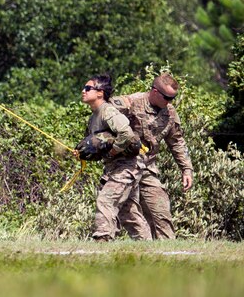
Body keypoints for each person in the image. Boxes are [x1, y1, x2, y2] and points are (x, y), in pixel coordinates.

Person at [113, 73, 194, 239]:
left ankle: (169, 254)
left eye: (173, 98)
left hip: (147, 168)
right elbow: (102, 112)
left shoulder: (170, 113)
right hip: (124, 168)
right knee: (127, 215)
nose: (170, 102)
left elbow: (177, 142)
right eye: (166, 97)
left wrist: (186, 169)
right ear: (155, 92)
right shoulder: (131, 102)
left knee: (161, 212)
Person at [76, 74, 143, 241]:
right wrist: (82, 153)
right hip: (113, 168)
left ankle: (102, 239)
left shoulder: (108, 111)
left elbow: (126, 134)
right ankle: (148, 247)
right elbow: (96, 145)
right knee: (129, 214)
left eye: (88, 88)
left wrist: (114, 151)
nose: (83, 91)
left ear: (100, 93)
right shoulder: (93, 117)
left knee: (105, 201)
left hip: (126, 167)